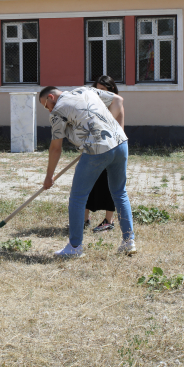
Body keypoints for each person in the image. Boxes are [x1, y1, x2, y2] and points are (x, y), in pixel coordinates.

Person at [39, 85, 136, 257]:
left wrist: (49, 177)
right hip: (120, 142)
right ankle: (129, 241)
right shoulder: (85, 90)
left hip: (97, 149)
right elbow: (118, 100)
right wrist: (107, 130)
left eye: (45, 105)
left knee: (78, 197)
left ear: (51, 97)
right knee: (120, 192)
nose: (48, 110)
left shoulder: (57, 112)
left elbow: (55, 148)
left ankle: (75, 247)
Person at [85, 76, 118, 232]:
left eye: (102, 90)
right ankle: (84, 219)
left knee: (109, 185)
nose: (99, 94)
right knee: (86, 183)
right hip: (93, 149)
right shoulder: (92, 106)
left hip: (110, 150)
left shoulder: (116, 104)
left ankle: (108, 221)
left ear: (110, 91)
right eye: (96, 90)